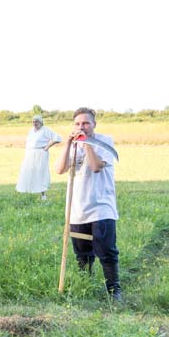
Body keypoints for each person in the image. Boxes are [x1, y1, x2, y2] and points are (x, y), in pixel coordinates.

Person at [55, 107, 121, 301]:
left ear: (94, 124)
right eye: (77, 123)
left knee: (106, 251)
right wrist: (68, 144)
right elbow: (59, 169)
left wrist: (87, 143)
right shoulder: (73, 144)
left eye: (85, 123)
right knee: (82, 254)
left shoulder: (104, 141)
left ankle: (114, 291)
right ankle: (86, 287)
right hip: (77, 208)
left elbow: (95, 166)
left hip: (101, 207)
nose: (81, 127)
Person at [16, 115, 61, 200]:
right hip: (30, 154)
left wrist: (47, 147)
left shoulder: (45, 130)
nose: (34, 123)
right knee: (29, 171)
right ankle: (29, 191)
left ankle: (43, 194)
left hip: (40, 154)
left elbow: (57, 138)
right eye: (33, 122)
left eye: (36, 121)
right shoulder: (31, 131)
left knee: (41, 173)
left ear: (40, 122)